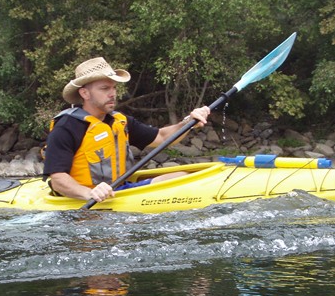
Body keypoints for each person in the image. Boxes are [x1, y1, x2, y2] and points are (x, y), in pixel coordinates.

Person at [43, 56, 211, 202]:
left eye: (114, 87)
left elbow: (161, 136)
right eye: (105, 88)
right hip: (83, 197)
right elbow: (58, 179)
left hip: (119, 192)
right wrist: (89, 193)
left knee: (180, 177)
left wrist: (189, 122)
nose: (112, 94)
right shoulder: (66, 127)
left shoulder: (120, 121)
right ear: (85, 94)